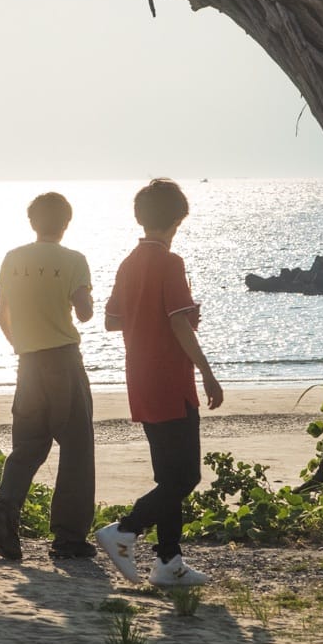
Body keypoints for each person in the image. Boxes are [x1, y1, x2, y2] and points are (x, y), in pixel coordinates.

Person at [96, 178, 223, 587]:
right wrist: (206, 370)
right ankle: (125, 531)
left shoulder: (129, 263)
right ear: (177, 221)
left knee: (168, 477)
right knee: (186, 478)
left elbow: (112, 320)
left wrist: (149, 312)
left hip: (140, 378)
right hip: (170, 379)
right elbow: (178, 323)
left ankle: (169, 561)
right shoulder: (170, 262)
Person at [0, 192, 96, 563]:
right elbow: (84, 314)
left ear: (32, 222)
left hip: (28, 362)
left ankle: (5, 505)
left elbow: (1, 313)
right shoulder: (74, 260)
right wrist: (83, 299)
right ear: (66, 223)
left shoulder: (13, 258)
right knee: (77, 449)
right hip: (63, 361)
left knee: (28, 445)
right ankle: (68, 539)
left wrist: (20, 344)